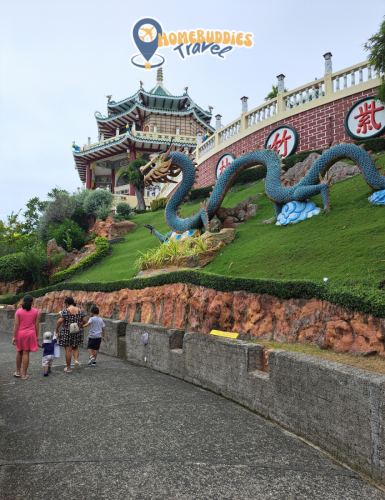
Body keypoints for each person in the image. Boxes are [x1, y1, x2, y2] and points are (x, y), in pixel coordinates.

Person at [55, 297, 87, 373]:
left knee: (68, 350)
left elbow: (60, 320)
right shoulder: (80, 310)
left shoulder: (65, 310)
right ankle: (76, 360)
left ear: (67, 303)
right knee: (76, 347)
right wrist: (81, 325)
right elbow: (85, 320)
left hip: (67, 332)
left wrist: (57, 328)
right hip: (77, 331)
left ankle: (68, 368)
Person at [12, 295, 39, 379]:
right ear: (32, 302)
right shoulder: (35, 311)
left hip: (20, 333)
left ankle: (18, 372)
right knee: (26, 353)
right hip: (30, 333)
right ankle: (24, 374)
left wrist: (13, 336)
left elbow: (16, 325)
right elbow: (37, 325)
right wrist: (36, 336)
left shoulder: (19, 312)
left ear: (23, 302)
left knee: (19, 352)